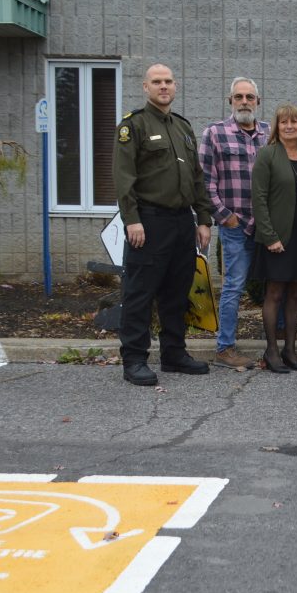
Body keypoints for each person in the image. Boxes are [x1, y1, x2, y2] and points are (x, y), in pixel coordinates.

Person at [113, 63, 213, 386]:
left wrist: (204, 219)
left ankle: (173, 353)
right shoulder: (134, 126)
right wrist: (132, 220)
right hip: (149, 222)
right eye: (156, 82)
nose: (163, 86)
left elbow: (197, 178)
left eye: (168, 81)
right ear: (145, 87)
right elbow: (123, 178)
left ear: (176, 85)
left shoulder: (182, 128)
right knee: (140, 293)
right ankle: (134, 359)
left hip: (183, 222)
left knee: (176, 292)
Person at [199, 77, 270, 370]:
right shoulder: (214, 133)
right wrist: (223, 216)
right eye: (238, 97)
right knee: (234, 286)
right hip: (236, 225)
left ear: (258, 102)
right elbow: (204, 182)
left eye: (249, 97)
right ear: (230, 101)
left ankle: (276, 344)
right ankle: (225, 348)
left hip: (266, 225)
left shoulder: (269, 132)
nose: (244, 102)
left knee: (274, 285)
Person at [251, 104, 297, 373]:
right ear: (277, 127)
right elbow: (258, 199)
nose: (290, 126)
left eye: (294, 121)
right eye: (284, 122)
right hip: (277, 235)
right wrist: (269, 236)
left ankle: (290, 350)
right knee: (274, 293)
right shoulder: (267, 155)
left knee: (296, 294)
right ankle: (271, 351)